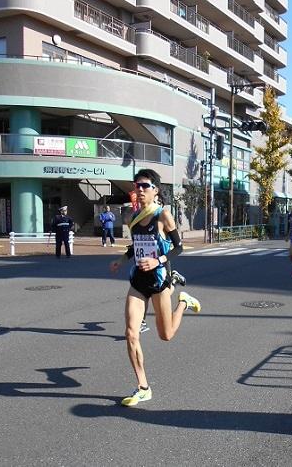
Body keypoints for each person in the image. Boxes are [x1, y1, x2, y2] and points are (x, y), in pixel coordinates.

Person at [110, 168, 201, 407]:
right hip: (138, 281)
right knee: (131, 333)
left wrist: (159, 261)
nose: (140, 189)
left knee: (166, 335)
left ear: (155, 190)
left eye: (145, 186)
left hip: (159, 280)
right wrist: (121, 260)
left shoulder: (163, 216)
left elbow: (178, 248)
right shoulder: (133, 216)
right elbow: (135, 246)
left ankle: (184, 301)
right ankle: (143, 386)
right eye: (137, 185)